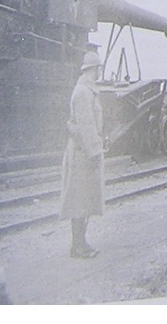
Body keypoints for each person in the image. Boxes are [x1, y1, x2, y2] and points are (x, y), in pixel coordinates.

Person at [61, 50, 105, 259]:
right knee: (79, 201)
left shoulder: (87, 90)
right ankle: (77, 246)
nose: (99, 73)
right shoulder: (83, 93)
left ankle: (81, 243)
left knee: (84, 200)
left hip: (84, 152)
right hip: (82, 154)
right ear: (91, 69)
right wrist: (95, 152)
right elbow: (86, 127)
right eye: (98, 69)